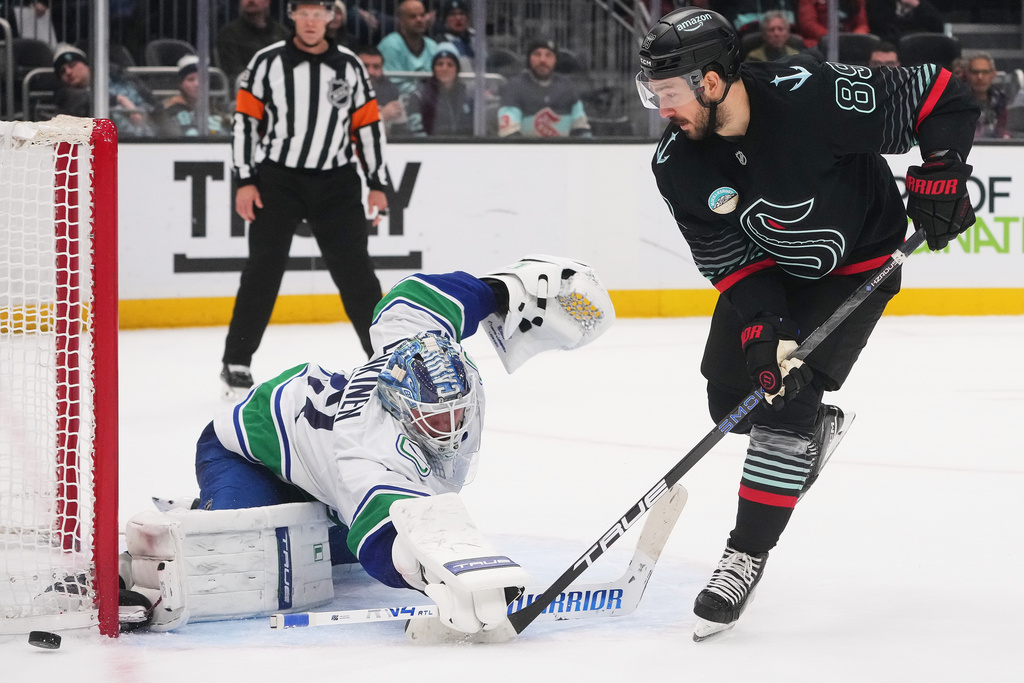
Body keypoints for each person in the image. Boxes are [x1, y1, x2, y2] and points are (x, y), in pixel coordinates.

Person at [635, 8, 978, 640]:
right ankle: (807, 436)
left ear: (712, 82)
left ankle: (744, 554)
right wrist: (763, 323)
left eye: (670, 95)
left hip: (856, 265)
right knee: (730, 401)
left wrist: (941, 171)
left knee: (782, 407)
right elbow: (728, 258)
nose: (663, 111)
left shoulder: (810, 96)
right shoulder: (676, 163)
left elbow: (942, 94)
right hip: (770, 268)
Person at [120, 257, 615, 636]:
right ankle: (191, 521)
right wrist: (432, 576)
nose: (449, 429)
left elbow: (416, 297)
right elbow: (383, 540)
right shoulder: (368, 451)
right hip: (244, 450)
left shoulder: (419, 347)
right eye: (433, 418)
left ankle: (304, 511)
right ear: (400, 410)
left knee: (322, 546)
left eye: (456, 413)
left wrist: (504, 290)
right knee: (245, 566)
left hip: (318, 466)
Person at [223, 1, 390, 398]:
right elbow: (245, 123)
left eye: (320, 13)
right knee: (263, 269)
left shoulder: (350, 65)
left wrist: (378, 183)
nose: (312, 21)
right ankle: (236, 362)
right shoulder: (266, 62)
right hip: (278, 180)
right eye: (305, 13)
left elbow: (368, 127)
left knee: (357, 275)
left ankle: (384, 359)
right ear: (293, 16)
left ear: (330, 18)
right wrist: (244, 179)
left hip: (337, 182)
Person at [52, 43, 162, 138]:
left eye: (72, 65)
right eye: (62, 72)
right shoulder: (66, 97)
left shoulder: (119, 77)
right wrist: (118, 100)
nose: (68, 72)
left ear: (87, 66)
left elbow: (151, 102)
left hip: (151, 137)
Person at [497, 39, 592, 138]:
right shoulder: (514, 87)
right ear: (529, 59)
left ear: (555, 60)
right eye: (537, 54)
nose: (542, 60)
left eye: (548, 55)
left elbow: (582, 131)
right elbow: (509, 135)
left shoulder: (567, 87)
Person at [216, 0, 290, 88]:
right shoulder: (228, 34)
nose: (250, 1)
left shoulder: (282, 34)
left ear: (268, 1)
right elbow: (233, 73)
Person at [405, 43, 473, 137]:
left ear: (457, 69)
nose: (444, 68)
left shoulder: (467, 95)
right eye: (440, 64)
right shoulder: (419, 96)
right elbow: (417, 134)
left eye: (450, 64)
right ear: (433, 68)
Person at [376, 0, 438, 95]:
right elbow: (391, 83)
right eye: (412, 16)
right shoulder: (390, 44)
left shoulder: (432, 46)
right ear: (401, 20)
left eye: (422, 15)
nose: (419, 20)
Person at [162, 55, 232, 137]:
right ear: (181, 84)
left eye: (202, 78)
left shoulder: (219, 108)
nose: (197, 84)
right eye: (191, 79)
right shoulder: (169, 111)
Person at [356, 44, 410, 137]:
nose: (370, 72)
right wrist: (381, 116)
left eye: (376, 67)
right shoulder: (345, 90)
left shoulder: (391, 91)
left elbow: (402, 133)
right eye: (365, 66)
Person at [964, 51, 1010, 140]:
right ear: (967, 73)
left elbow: (1006, 131)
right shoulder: (958, 101)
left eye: (985, 72)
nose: (980, 77)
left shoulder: (1002, 100)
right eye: (975, 72)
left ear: (993, 74)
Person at [865, 0, 944, 45]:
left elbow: (938, 27)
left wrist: (917, 5)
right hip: (888, 44)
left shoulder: (926, 4)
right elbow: (879, 25)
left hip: (919, 46)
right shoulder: (877, 3)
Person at [797, 0, 870, 48]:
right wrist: (834, 38)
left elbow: (862, 25)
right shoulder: (810, 1)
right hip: (819, 43)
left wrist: (852, 38)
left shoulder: (856, 2)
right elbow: (809, 25)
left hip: (850, 43)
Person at [432, 0, 475, 68]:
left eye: (461, 13)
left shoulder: (475, 37)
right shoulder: (439, 42)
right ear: (445, 20)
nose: (458, 18)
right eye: (452, 14)